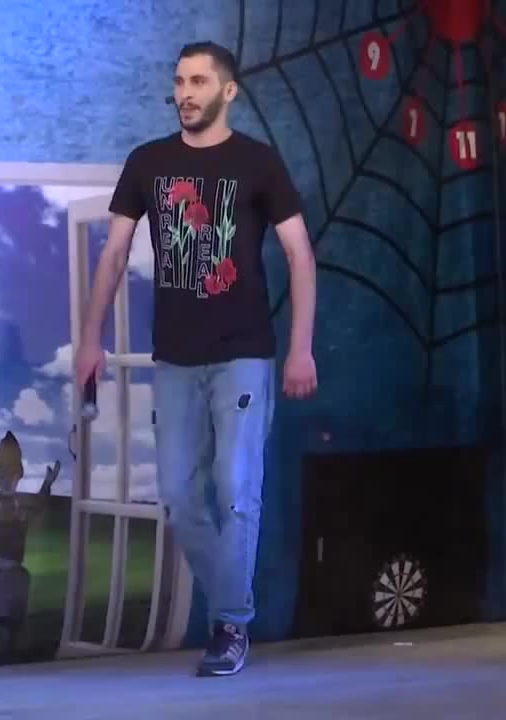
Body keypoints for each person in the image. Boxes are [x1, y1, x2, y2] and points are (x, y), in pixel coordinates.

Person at [74, 41, 318, 676]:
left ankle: (229, 625)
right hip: (176, 358)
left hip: (244, 354)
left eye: (199, 82)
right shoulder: (149, 162)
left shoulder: (258, 163)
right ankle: (234, 606)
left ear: (228, 91)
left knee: (237, 491)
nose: (185, 93)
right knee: (180, 497)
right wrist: (90, 338)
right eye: (180, 81)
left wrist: (301, 348)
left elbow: (300, 254)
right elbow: (113, 253)